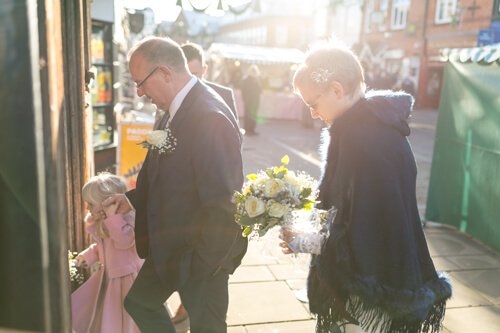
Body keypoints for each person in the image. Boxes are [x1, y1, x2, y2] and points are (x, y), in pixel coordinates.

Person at [279, 41, 452, 333]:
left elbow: (364, 228)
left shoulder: (361, 138)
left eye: (313, 104)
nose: (312, 114)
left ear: (336, 89)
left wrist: (306, 240)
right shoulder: (371, 125)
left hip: (370, 286)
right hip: (382, 272)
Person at [103, 36, 247, 333]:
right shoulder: (172, 108)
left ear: (165, 73)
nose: (140, 93)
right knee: (140, 303)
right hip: (171, 246)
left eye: (140, 83)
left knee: (207, 328)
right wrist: (132, 199)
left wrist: (205, 265)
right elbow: (164, 173)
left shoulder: (209, 116)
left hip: (201, 255)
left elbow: (224, 200)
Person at [71, 172, 143, 333]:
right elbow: (101, 248)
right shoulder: (103, 223)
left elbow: (125, 241)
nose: (87, 207)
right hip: (111, 278)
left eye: (90, 203)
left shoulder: (127, 218)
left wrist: (112, 216)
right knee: (105, 314)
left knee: (125, 318)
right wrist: (86, 256)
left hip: (128, 280)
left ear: (107, 201)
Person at [181, 42, 239, 122]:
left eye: (194, 74)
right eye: (185, 75)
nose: (189, 80)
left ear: (204, 70)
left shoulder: (224, 95)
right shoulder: (168, 96)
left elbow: (234, 132)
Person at [240, 64, 262, 135]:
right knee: (248, 115)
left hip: (255, 100)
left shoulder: (257, 80)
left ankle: (252, 129)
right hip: (249, 100)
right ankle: (247, 129)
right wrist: (245, 99)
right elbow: (243, 90)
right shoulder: (246, 80)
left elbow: (260, 90)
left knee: (254, 115)